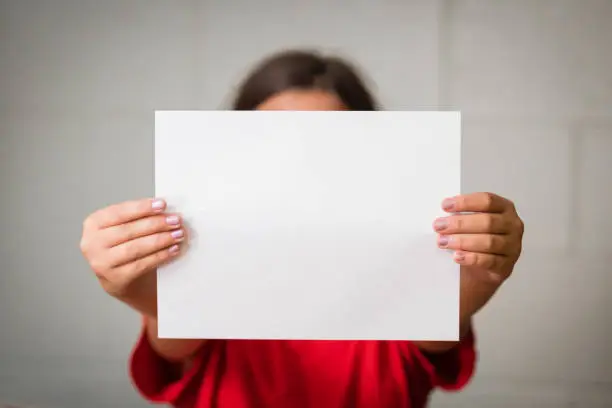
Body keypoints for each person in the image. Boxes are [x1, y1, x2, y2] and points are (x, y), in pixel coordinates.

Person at [79, 50, 524, 408]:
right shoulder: (203, 269)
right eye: (274, 145)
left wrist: (467, 285)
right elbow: (178, 341)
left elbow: (427, 339)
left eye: (330, 148)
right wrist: (143, 295)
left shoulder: (399, 277)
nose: (300, 169)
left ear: (374, 159)